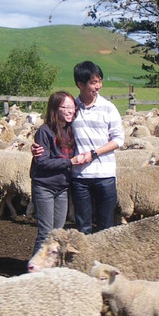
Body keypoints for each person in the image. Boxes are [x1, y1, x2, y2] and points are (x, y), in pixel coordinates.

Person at [33, 60, 124, 232]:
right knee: (83, 226)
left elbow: (119, 139)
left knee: (106, 227)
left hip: (105, 175)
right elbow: (55, 131)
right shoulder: (72, 108)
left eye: (100, 81)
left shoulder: (108, 108)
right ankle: (85, 260)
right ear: (80, 84)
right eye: (93, 82)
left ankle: (103, 259)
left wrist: (94, 153)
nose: (98, 86)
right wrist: (38, 146)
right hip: (79, 177)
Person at [29, 90, 88, 254]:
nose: (70, 111)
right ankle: (34, 270)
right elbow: (42, 162)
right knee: (46, 233)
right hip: (44, 186)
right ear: (55, 109)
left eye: (72, 107)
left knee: (58, 232)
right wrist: (70, 162)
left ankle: (51, 269)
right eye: (65, 107)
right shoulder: (45, 131)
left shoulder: (71, 130)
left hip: (62, 188)